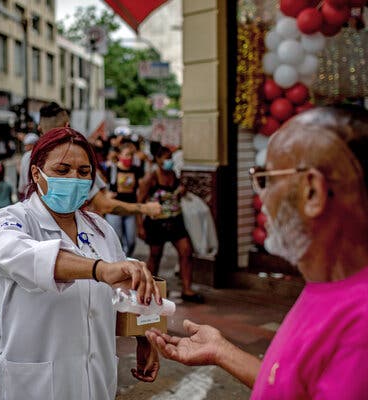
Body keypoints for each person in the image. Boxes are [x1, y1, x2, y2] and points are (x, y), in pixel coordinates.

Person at [146, 105, 368, 399]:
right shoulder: (326, 285)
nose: (261, 196)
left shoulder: (360, 323)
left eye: (266, 179)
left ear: (312, 191)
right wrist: (222, 352)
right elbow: (289, 384)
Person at [0, 127, 162, 400]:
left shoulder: (101, 230)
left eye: (83, 172)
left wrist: (144, 335)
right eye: (63, 170)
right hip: (33, 382)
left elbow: (123, 290)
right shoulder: (12, 220)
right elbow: (19, 254)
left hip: (96, 377)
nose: (74, 179)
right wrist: (99, 269)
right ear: (36, 173)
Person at [37, 102, 162, 219]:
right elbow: (103, 205)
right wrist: (145, 208)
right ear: (67, 127)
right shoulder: (76, 160)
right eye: (62, 170)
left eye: (83, 171)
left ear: (39, 128)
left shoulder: (29, 159)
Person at [137, 146, 203, 303]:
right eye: (166, 158)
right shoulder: (150, 178)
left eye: (170, 157)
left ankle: (187, 289)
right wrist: (140, 226)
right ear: (158, 160)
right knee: (155, 256)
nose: (169, 161)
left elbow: (178, 194)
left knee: (186, 251)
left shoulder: (174, 174)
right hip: (156, 223)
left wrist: (182, 191)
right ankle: (149, 288)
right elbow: (139, 203)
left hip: (175, 221)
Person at [105, 143, 145, 257]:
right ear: (119, 155)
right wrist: (106, 194)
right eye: (126, 155)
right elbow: (102, 184)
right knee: (117, 240)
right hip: (115, 209)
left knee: (131, 241)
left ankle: (126, 257)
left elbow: (140, 190)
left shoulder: (136, 170)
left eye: (131, 155)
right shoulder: (112, 169)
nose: (129, 158)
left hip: (130, 209)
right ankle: (121, 263)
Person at [17, 132, 39, 199]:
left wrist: (21, 189)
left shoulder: (27, 155)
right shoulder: (40, 153)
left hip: (29, 189)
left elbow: (24, 174)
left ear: (32, 145)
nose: (25, 147)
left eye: (27, 145)